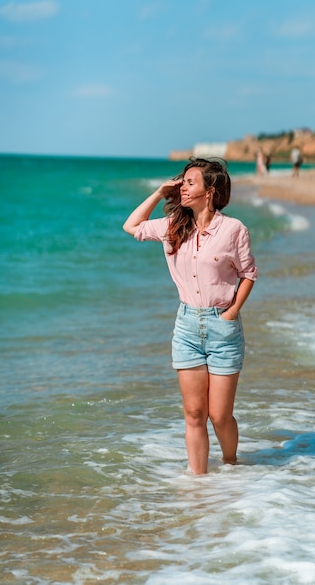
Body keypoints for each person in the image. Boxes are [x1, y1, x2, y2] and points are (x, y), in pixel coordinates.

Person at [123, 157, 258, 475]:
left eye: (190, 182)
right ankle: (198, 485)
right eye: (181, 182)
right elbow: (131, 226)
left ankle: (231, 463)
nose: (182, 187)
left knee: (219, 415)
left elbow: (248, 274)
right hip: (186, 327)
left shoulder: (233, 230)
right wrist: (159, 192)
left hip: (222, 328)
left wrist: (232, 312)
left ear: (210, 190)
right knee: (194, 412)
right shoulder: (173, 226)